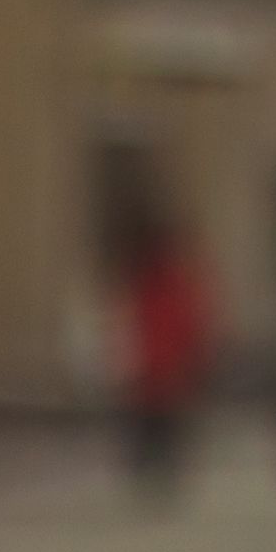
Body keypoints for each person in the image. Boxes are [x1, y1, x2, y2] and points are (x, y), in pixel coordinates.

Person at [105, 177, 213, 507]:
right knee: (159, 421)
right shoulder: (164, 276)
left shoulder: (151, 276)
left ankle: (154, 468)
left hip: (155, 364)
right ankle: (156, 469)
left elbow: (178, 319)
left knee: (153, 421)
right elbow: (188, 319)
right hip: (162, 364)